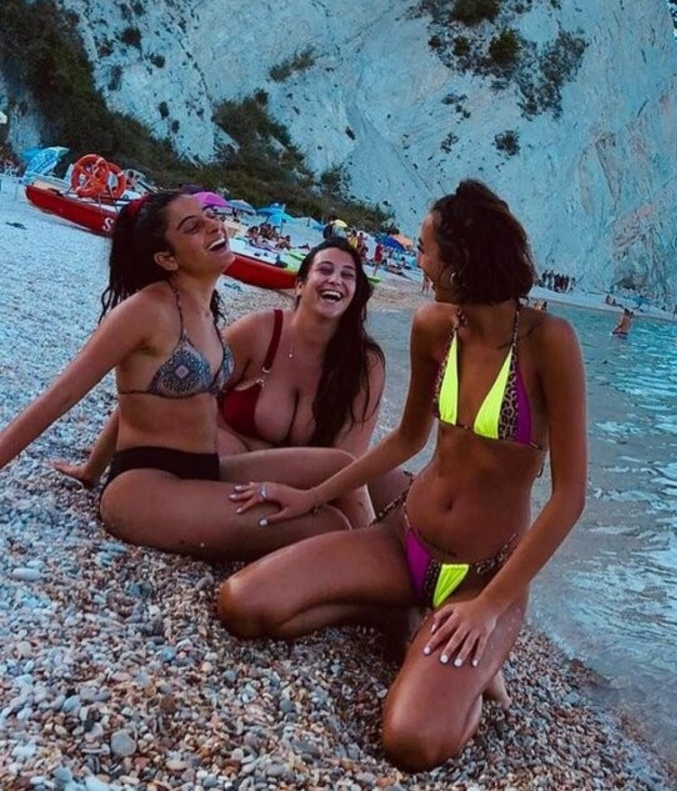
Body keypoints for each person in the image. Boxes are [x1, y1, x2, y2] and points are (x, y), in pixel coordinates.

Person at [218, 179, 588, 772]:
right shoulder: (433, 326)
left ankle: (469, 671)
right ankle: (393, 612)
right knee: (242, 605)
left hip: (483, 578)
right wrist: (311, 496)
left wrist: (490, 607)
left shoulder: (550, 343)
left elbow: (569, 496)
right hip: (403, 541)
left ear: (461, 260)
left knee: (411, 742)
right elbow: (408, 439)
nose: (418, 260)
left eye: (425, 248)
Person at [2, 191, 360, 559]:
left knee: (340, 468)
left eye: (208, 215)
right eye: (193, 227)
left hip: (204, 469)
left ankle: (383, 565)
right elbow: (59, 397)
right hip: (145, 488)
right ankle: (368, 572)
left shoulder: (203, 310)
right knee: (327, 524)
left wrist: (91, 468)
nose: (213, 226)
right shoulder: (145, 310)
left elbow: (136, 397)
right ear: (167, 258)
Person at [57, 237, 390, 528]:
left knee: (393, 482)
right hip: (219, 465)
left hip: (303, 477)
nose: (336, 280)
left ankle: (374, 550)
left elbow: (351, 461)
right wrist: (95, 466)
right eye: (325, 270)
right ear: (300, 285)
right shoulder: (260, 332)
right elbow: (157, 390)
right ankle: (368, 549)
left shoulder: (364, 364)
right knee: (335, 512)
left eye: (348, 275)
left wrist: (307, 492)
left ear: (356, 292)